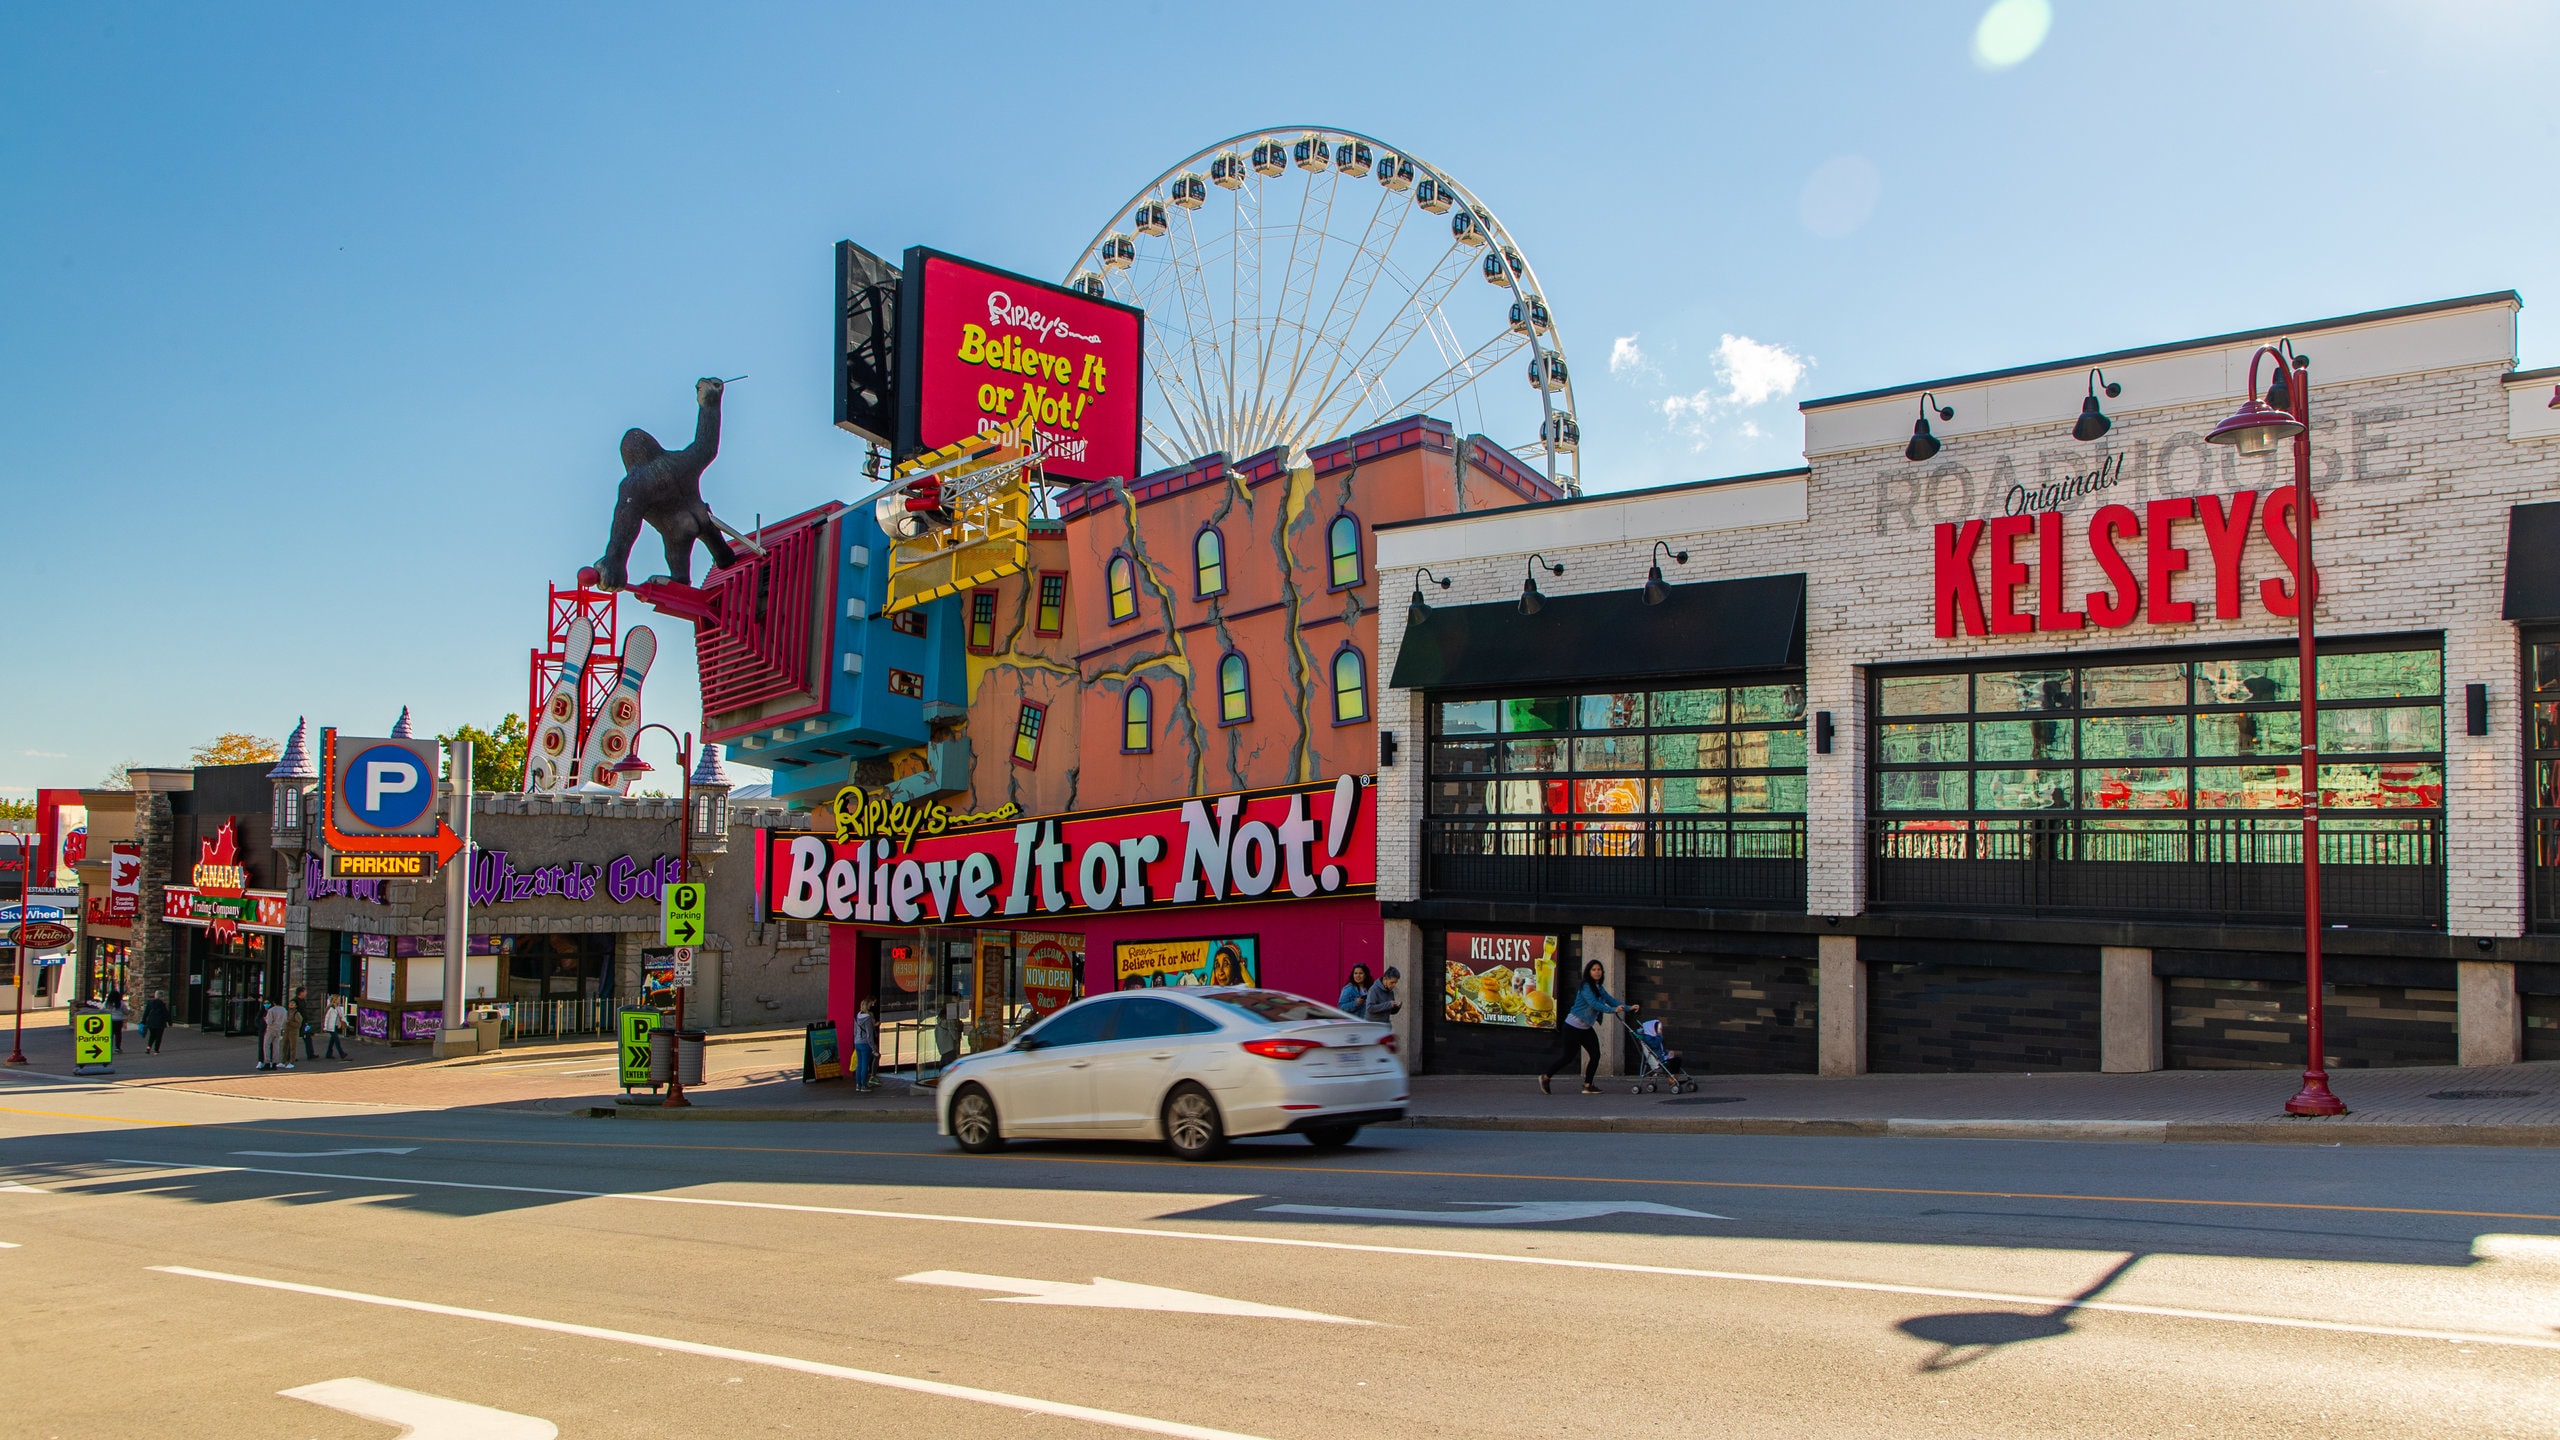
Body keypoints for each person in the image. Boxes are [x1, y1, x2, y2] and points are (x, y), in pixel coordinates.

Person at [1539, 959, 1632, 1095]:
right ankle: (1546, 1077)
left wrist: (1629, 1008)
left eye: (1599, 969)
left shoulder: (1599, 987)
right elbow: (1594, 1004)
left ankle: (1588, 1085)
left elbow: (1611, 1000)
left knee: (1595, 1055)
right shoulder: (1586, 986)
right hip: (1572, 1027)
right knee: (1567, 1057)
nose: (1597, 972)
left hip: (1586, 1028)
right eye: (1593, 969)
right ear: (1588, 972)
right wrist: (1613, 1010)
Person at [259, 997, 294, 1071]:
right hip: (279, 1029)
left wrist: (265, 1019)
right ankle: (275, 1063)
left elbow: (269, 1022)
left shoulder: (271, 1010)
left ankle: (267, 1062)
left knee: (266, 1045)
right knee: (276, 1046)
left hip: (271, 1029)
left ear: (274, 1003)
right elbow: (285, 1021)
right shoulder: (284, 1010)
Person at [853, 999, 878, 1091]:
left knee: (859, 1064)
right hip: (865, 1044)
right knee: (865, 1065)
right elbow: (869, 1034)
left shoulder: (857, 1016)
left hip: (857, 1043)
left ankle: (858, 1085)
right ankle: (864, 1085)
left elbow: (855, 1032)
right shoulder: (867, 1018)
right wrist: (873, 1046)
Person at [294, 986, 322, 1061]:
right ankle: (290, 1056)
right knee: (293, 1040)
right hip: (297, 1023)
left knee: (308, 1038)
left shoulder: (303, 1000)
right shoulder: (295, 1001)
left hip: (304, 1023)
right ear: (301, 992)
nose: (306, 993)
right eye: (305, 991)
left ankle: (310, 1054)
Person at [321, 993, 350, 1060]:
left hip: (335, 1025)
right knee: (336, 1040)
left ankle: (328, 1054)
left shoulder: (338, 1008)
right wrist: (325, 1027)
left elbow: (342, 1016)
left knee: (332, 1041)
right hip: (330, 1027)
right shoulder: (331, 1008)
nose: (339, 1000)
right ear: (335, 1000)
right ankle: (341, 1053)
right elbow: (326, 1018)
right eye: (338, 999)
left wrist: (346, 1023)